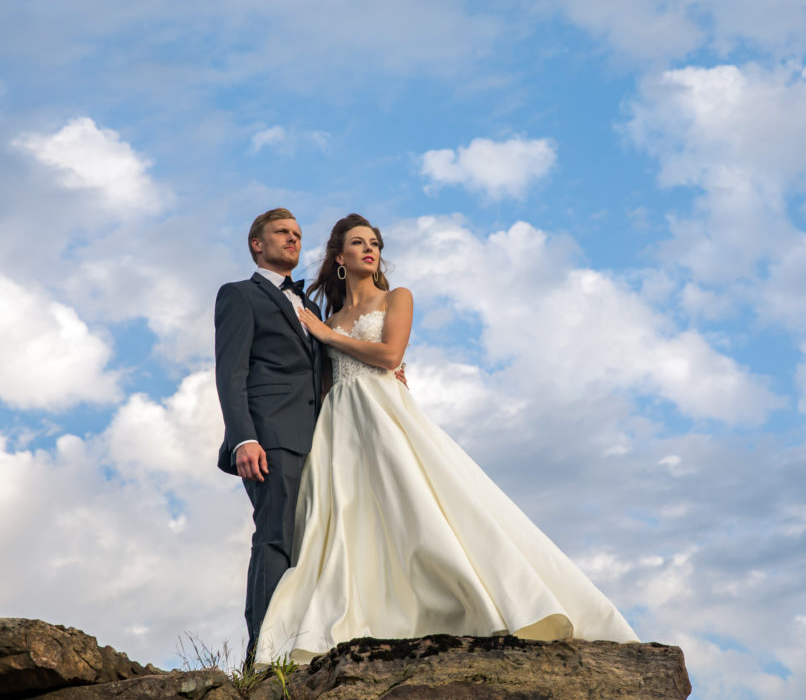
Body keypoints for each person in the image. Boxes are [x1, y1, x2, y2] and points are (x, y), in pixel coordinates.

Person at [253, 214, 640, 665]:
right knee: (347, 520)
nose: (369, 249)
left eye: (374, 243)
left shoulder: (396, 297)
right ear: (339, 258)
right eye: (357, 243)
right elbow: (322, 380)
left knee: (416, 505)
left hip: (384, 412)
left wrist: (323, 334)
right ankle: (363, 616)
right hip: (340, 424)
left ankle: (476, 599)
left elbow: (390, 356)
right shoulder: (330, 316)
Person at [213, 208, 325, 657]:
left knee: (308, 543)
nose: (293, 239)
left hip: (319, 440)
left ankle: (301, 642)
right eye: (282, 232)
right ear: (256, 244)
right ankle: (264, 651)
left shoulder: (311, 307)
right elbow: (230, 371)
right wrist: (243, 437)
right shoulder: (240, 295)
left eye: (298, 234)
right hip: (270, 437)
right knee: (276, 535)